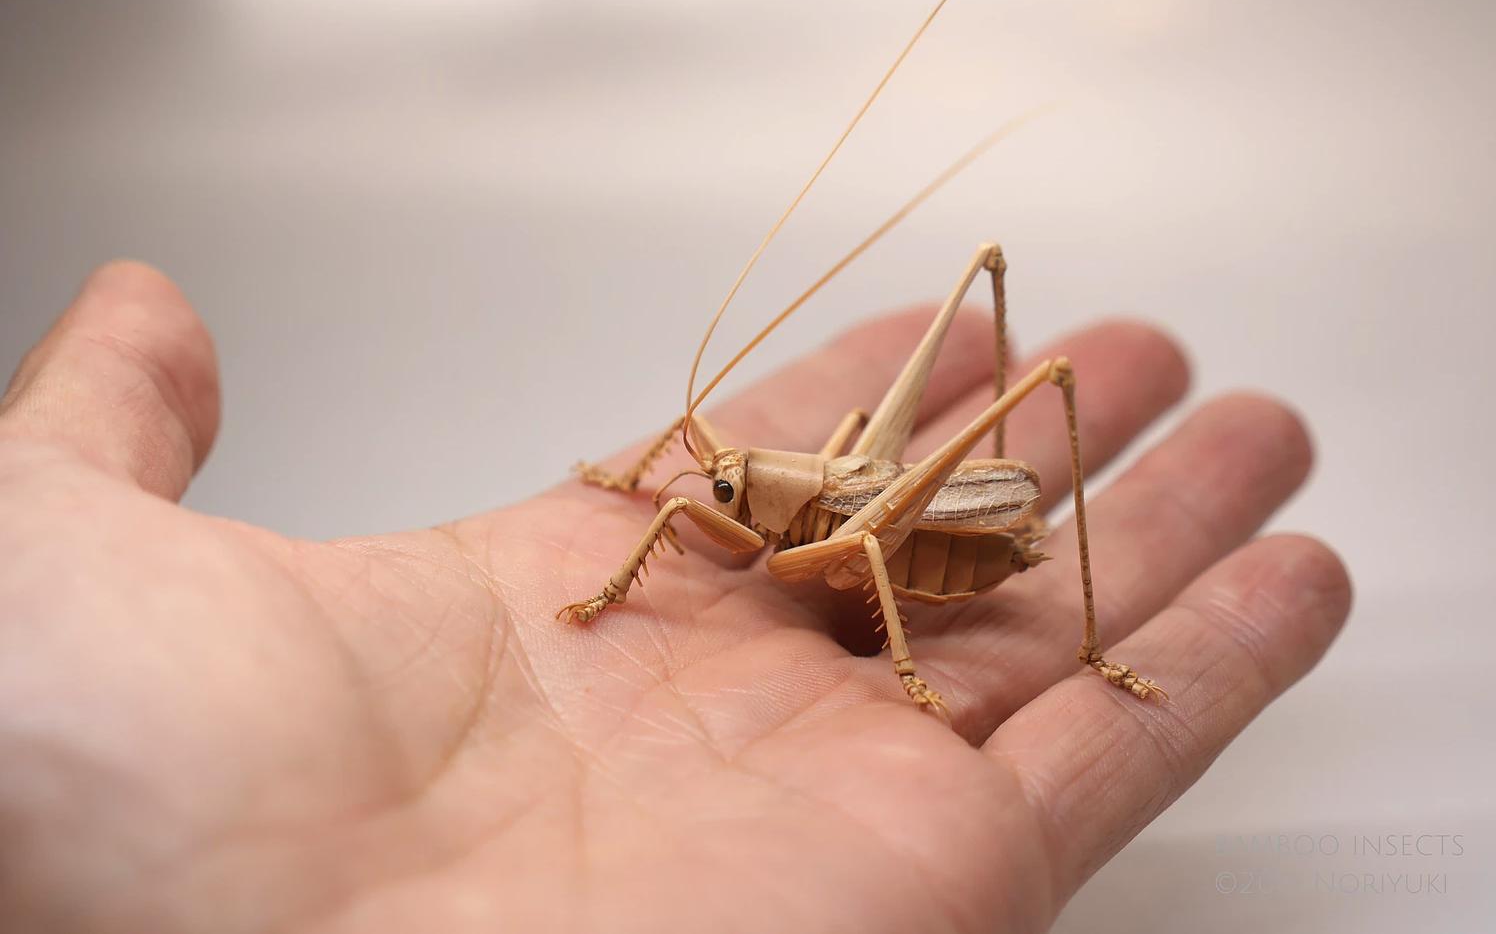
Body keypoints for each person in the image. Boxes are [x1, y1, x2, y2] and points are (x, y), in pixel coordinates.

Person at [0, 261, 1350, 933]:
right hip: (869, 509)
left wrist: (914, 675)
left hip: (926, 534)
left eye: (705, 469)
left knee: (911, 482)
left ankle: (1101, 650)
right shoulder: (720, 485)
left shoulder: (815, 524)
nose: (700, 479)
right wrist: (629, 485)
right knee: (803, 492)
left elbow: (855, 545)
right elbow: (700, 495)